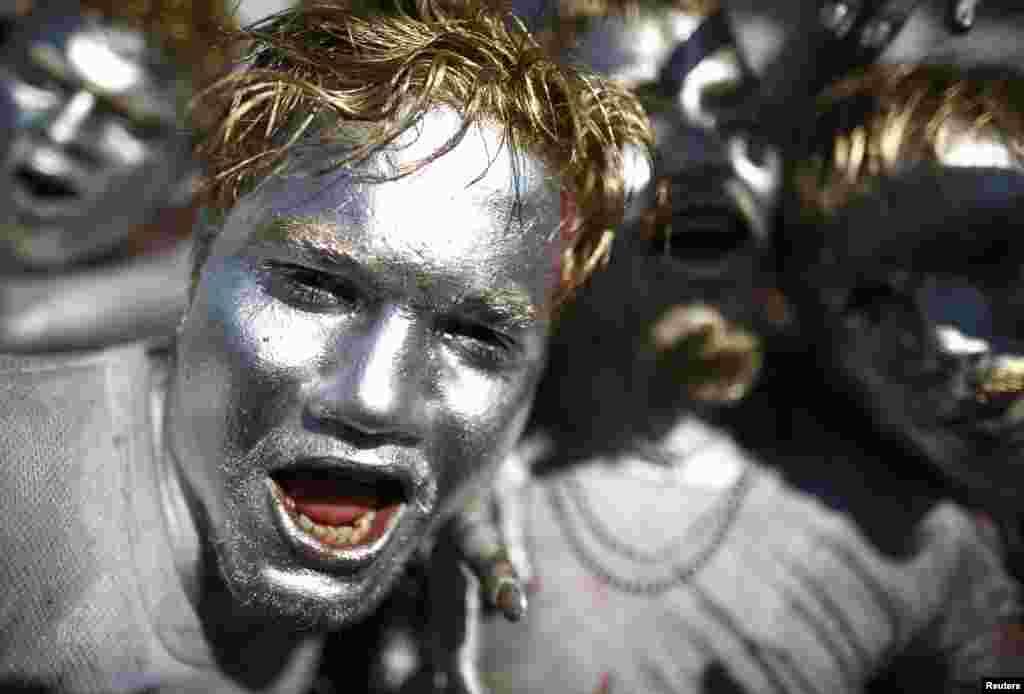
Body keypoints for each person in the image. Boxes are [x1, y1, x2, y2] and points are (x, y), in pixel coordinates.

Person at [0, 0, 652, 691]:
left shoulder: (434, 601)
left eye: (477, 335)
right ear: (201, 256)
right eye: (316, 287)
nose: (376, 399)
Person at [397, 4, 1024, 693]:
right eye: (636, 111)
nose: (708, 150)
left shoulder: (910, 528)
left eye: (730, 109)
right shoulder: (432, 473)